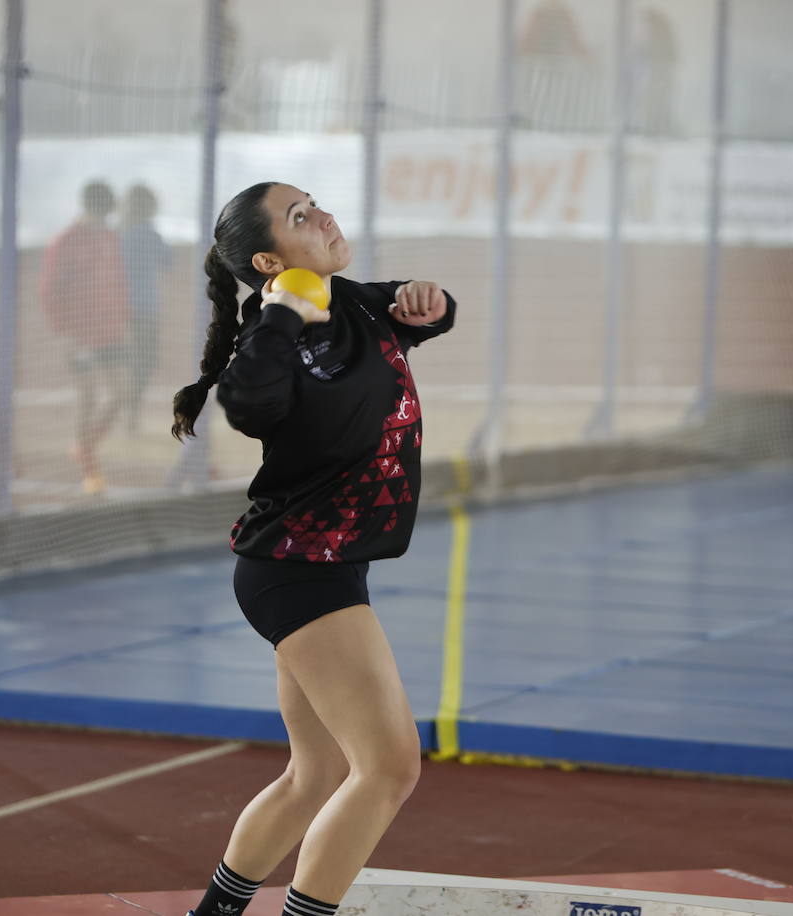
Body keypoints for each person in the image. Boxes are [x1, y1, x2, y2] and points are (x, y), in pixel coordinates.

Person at [170, 182, 456, 916]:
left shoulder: (356, 302)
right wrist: (281, 313)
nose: (324, 217)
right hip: (296, 572)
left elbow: (423, 309)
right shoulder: (278, 333)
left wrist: (431, 299)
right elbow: (248, 403)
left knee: (317, 770)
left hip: (330, 566)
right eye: (301, 219)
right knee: (388, 767)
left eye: (316, 203)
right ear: (270, 260)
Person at [40, 181, 129, 494]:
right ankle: (89, 467)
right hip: (78, 333)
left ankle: (84, 444)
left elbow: (117, 283)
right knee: (88, 396)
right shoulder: (66, 241)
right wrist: (63, 332)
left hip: (109, 333)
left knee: (119, 392)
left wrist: (122, 322)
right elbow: (50, 290)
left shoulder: (109, 237)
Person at [118, 184, 174, 436]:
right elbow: (169, 263)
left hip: (118, 309)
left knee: (130, 360)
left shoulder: (120, 233)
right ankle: (130, 412)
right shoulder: (150, 234)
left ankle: (126, 411)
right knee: (144, 361)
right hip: (144, 309)